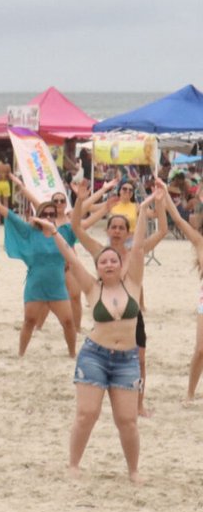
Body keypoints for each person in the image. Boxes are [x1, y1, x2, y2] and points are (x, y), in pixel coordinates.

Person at [47, 196, 152, 482]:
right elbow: (70, 255)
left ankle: (133, 471)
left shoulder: (132, 283)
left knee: (128, 421)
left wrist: (144, 210)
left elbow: (139, 247)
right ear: (98, 267)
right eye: (103, 261)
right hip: (95, 355)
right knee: (87, 414)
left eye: (113, 260)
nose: (108, 264)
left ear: (121, 264)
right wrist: (55, 231)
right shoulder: (92, 289)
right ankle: (73, 465)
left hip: (127, 360)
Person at [69, 184, 162, 417]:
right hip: (106, 311)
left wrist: (158, 201)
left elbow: (162, 232)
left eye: (122, 228)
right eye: (114, 227)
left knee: (140, 360)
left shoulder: (135, 251)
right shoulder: (101, 251)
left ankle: (138, 404)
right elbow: (76, 229)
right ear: (108, 230)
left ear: (129, 231)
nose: (118, 231)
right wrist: (80, 200)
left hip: (132, 312)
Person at [0, 185, 76, 356]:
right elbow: (12, 217)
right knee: (29, 321)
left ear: (56, 216)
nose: (48, 217)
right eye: (44, 214)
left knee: (69, 322)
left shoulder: (63, 232)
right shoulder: (30, 232)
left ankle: (72, 354)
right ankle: (21, 354)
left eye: (52, 214)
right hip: (35, 285)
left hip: (57, 286)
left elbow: (82, 222)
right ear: (39, 216)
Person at [151, 185, 203, 403]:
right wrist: (164, 197)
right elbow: (178, 220)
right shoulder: (200, 241)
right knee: (200, 350)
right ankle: (190, 393)